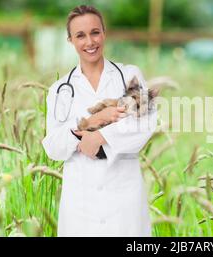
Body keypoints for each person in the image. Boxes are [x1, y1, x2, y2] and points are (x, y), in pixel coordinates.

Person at [42, 5, 157, 236]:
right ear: (70, 40)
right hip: (80, 202)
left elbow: (144, 123)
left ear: (104, 33)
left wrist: (99, 136)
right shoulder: (60, 90)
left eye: (95, 32)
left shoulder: (129, 75)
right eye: (80, 35)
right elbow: (53, 146)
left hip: (124, 198)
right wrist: (93, 120)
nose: (89, 42)